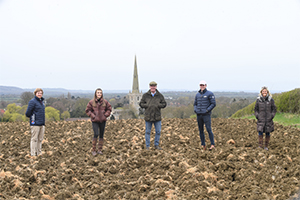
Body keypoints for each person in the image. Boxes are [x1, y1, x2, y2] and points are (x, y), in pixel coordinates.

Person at [139, 81, 167, 150]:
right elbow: (141, 104)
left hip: (157, 116)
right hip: (148, 116)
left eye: (154, 86)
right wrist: (147, 105)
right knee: (147, 132)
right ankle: (147, 146)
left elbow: (164, 104)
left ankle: (156, 145)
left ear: (156, 87)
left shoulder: (159, 95)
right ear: (150, 87)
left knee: (158, 131)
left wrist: (158, 105)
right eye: (151, 86)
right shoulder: (145, 95)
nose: (153, 87)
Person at [86, 88, 112, 156]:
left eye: (100, 93)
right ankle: (93, 150)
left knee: (101, 135)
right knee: (96, 134)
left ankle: (99, 150)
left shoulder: (105, 102)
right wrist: (93, 116)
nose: (99, 94)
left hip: (102, 121)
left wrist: (105, 115)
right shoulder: (91, 102)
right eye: (98, 93)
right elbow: (88, 110)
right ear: (95, 94)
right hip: (95, 121)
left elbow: (109, 109)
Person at [194, 80, 216, 150]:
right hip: (199, 115)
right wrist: (196, 110)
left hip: (206, 115)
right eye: (201, 85)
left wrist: (207, 110)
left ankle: (212, 144)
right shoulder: (197, 94)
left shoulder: (210, 94)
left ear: (206, 85)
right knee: (201, 130)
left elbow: (213, 104)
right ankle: (203, 145)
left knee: (209, 129)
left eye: (203, 85)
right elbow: (195, 104)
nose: (202, 86)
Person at [254, 86, 276, 150]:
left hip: (268, 119)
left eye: (265, 91)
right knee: (260, 132)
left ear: (267, 92)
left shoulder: (270, 100)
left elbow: (274, 109)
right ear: (261, 92)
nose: (264, 92)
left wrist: (272, 116)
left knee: (267, 132)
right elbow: (256, 109)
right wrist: (257, 116)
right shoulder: (258, 100)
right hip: (261, 119)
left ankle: (266, 146)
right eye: (263, 91)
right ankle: (260, 146)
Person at [25, 88, 45, 156]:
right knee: (34, 139)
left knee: (40, 139)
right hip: (35, 123)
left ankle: (39, 153)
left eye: (41, 93)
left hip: (42, 123)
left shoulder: (41, 102)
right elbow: (28, 113)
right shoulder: (32, 102)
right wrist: (33, 118)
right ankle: (33, 154)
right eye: (38, 93)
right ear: (35, 93)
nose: (40, 94)